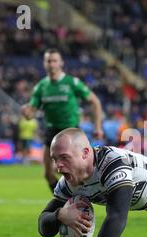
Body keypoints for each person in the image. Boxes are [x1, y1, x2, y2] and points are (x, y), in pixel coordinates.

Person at [21, 48, 104, 191]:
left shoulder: (71, 82)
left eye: (54, 61)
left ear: (61, 63)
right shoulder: (41, 87)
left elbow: (95, 101)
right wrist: (26, 112)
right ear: (44, 64)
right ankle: (66, 201)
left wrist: (97, 127)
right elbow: (31, 113)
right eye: (49, 61)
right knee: (48, 174)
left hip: (70, 132)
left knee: (74, 172)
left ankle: (79, 200)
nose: (52, 64)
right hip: (51, 132)